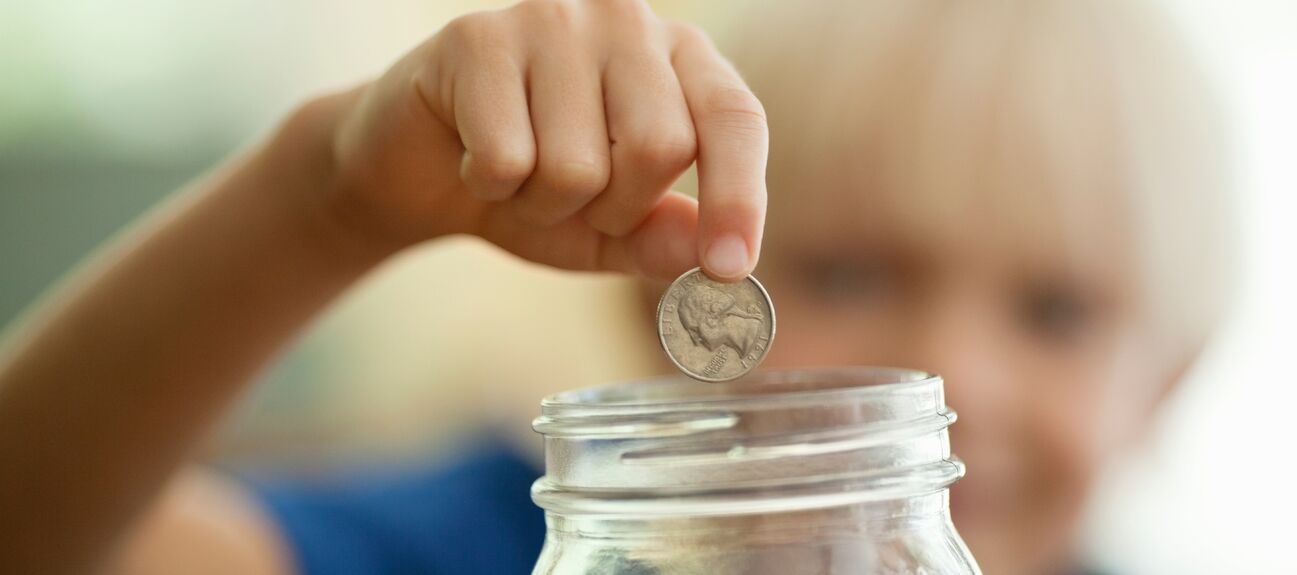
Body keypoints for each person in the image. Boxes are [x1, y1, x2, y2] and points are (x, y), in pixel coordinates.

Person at [0, 0, 1233, 574]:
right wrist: (325, 201)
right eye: (851, 270)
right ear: (666, 301)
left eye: (1058, 310)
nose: (948, 367)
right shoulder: (502, 536)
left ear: (1167, 382)